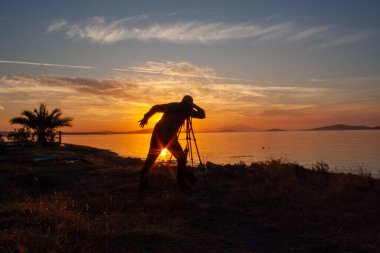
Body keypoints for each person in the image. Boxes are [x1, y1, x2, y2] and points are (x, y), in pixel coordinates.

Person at [138, 95, 205, 190]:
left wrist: (146, 118)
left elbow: (155, 107)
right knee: (181, 158)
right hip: (168, 137)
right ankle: (181, 183)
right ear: (190, 104)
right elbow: (202, 115)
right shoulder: (188, 110)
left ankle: (143, 184)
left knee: (151, 159)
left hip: (158, 133)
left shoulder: (173, 105)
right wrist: (195, 106)